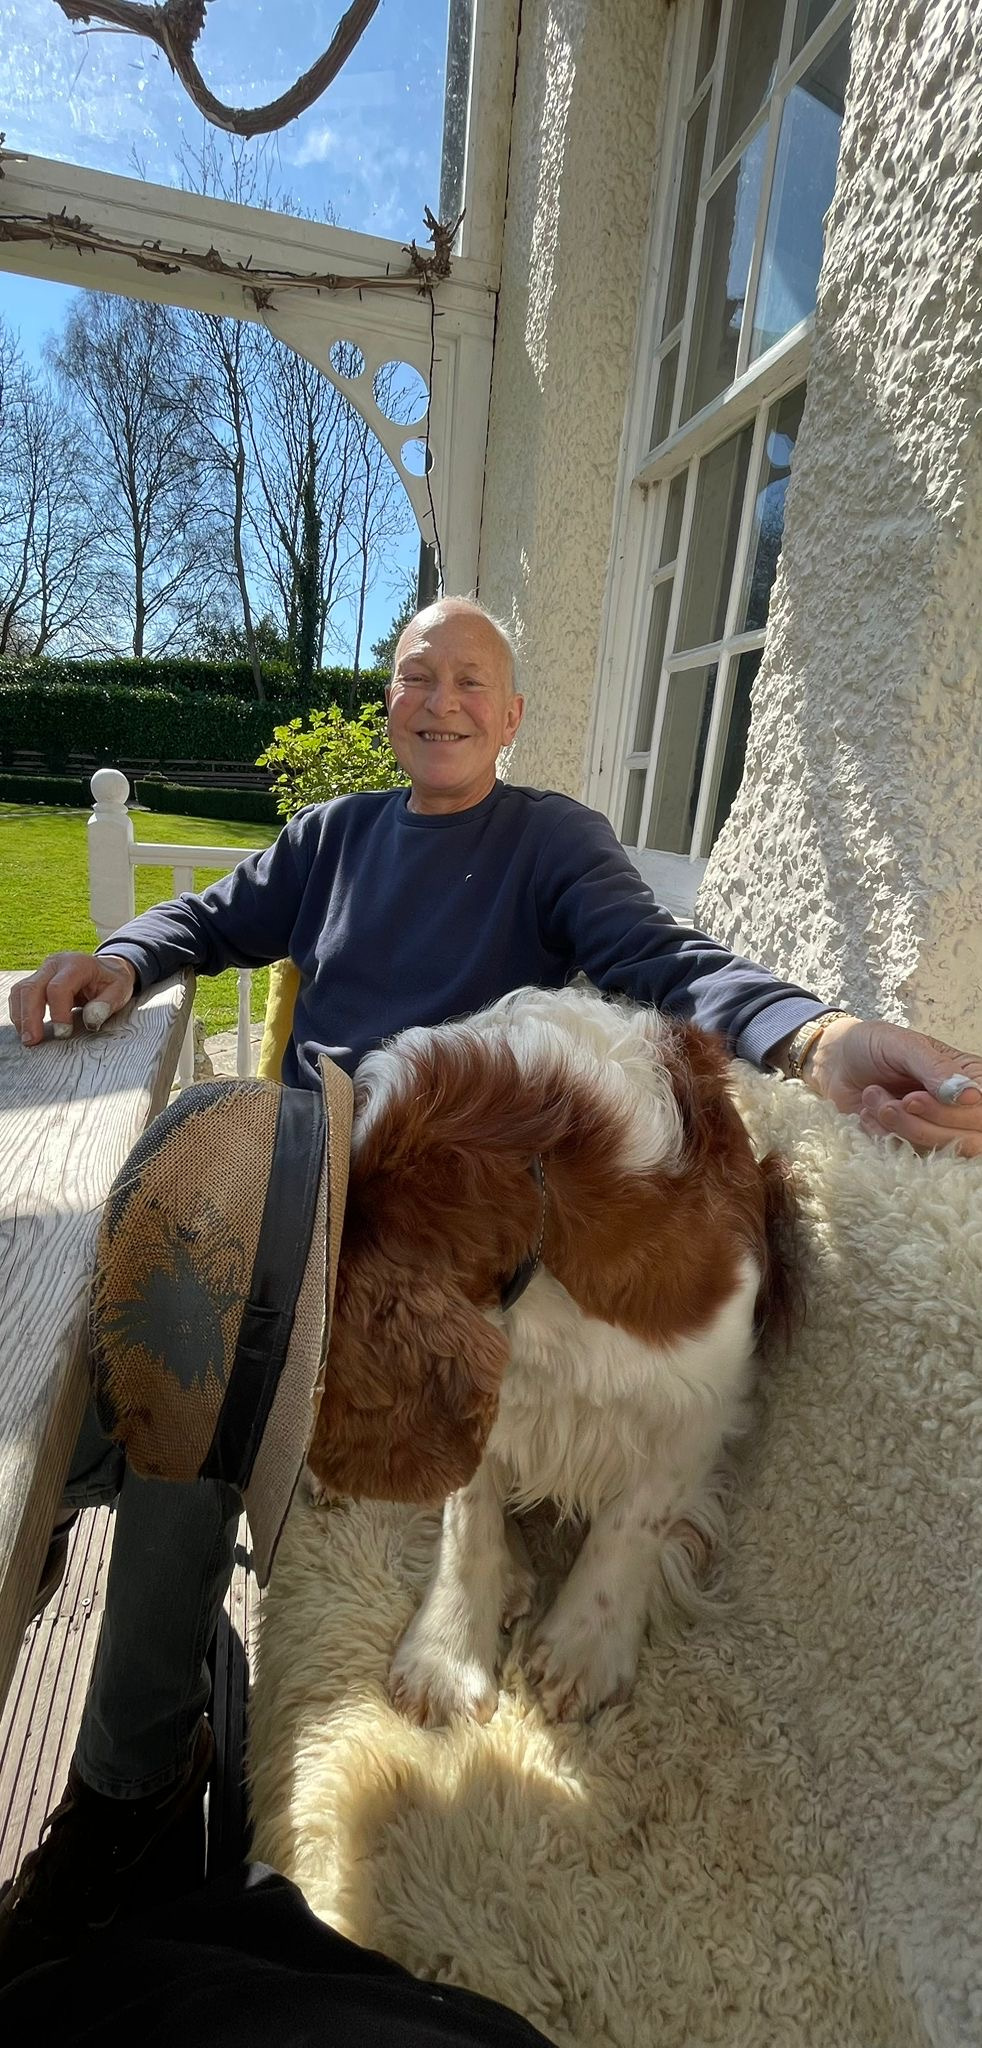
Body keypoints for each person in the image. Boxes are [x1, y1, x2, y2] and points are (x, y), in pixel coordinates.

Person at [3, 597, 980, 1985]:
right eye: (419, 676)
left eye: (473, 680)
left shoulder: (553, 841)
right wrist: (127, 953)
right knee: (132, 1305)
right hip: (312, 1166)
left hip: (437, 1226)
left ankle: (131, 1780)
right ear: (390, 701)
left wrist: (818, 1038)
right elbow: (214, 913)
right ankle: (73, 1536)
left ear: (512, 716)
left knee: (190, 1390)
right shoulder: (335, 836)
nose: (442, 700)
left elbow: (665, 961)